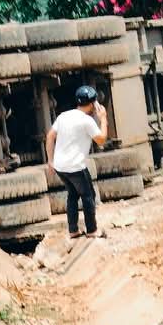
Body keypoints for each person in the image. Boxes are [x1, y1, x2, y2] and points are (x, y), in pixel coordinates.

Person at [46, 84, 109, 239]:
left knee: (73, 195)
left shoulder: (63, 116)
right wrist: (103, 119)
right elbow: (101, 140)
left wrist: (50, 161)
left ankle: (73, 230)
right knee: (88, 196)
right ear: (93, 103)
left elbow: (49, 136)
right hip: (75, 167)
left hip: (60, 167)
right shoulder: (87, 121)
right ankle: (92, 230)